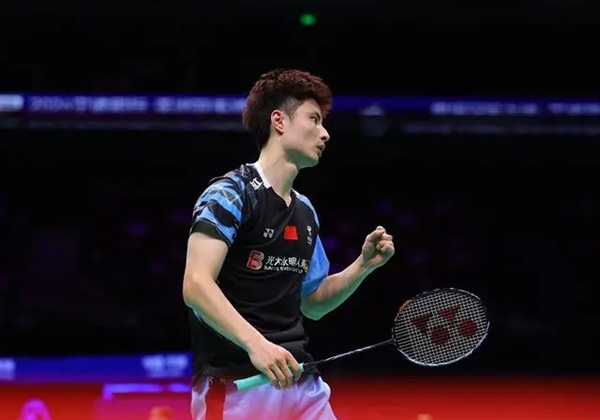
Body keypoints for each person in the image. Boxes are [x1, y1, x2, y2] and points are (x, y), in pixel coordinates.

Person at [182, 69, 395, 420]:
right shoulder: (230, 194)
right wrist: (257, 345)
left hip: (301, 380)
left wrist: (363, 266)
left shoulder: (304, 210)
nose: (325, 133)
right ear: (279, 121)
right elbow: (195, 285)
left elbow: (312, 303)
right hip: (237, 386)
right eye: (314, 119)